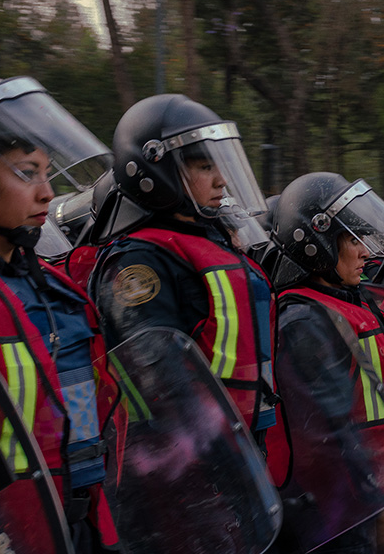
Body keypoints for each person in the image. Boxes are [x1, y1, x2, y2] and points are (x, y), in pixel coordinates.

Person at [0, 70, 119, 552]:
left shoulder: (58, 290)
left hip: (84, 520)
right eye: (27, 173)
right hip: (0, 535)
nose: (47, 192)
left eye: (47, 173)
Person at [88, 94, 277, 444]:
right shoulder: (139, 261)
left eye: (220, 165)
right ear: (155, 171)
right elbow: (159, 383)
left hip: (242, 443)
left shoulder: (213, 242)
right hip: (184, 456)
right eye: (205, 167)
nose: (222, 180)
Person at [267, 172, 384, 554]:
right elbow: (334, 427)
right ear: (315, 242)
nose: (367, 252)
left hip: (374, 495)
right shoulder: (302, 320)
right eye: (351, 239)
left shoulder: (350, 302)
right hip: (340, 513)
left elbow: (371, 392)